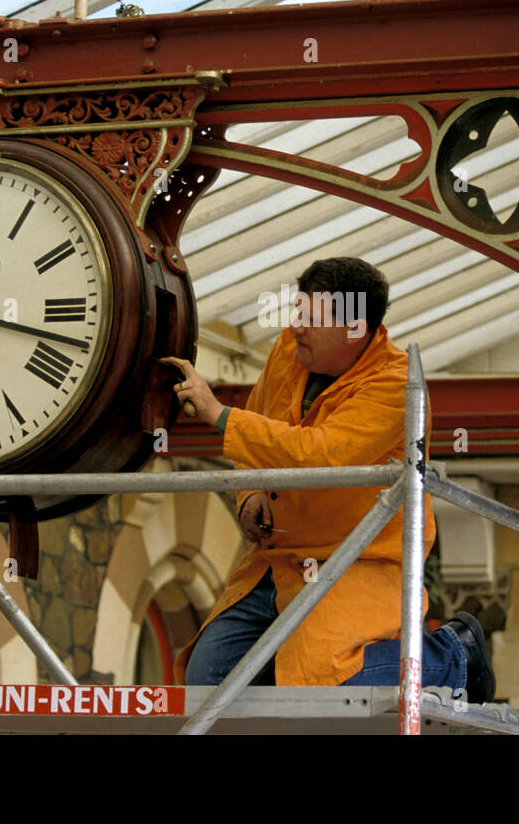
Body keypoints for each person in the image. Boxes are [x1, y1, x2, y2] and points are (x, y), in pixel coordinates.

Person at [161, 256, 495, 701]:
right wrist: (251, 492)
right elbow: (261, 432)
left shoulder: (396, 387)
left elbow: (322, 454)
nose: (297, 326)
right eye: (298, 311)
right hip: (280, 562)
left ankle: (453, 654)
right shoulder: (289, 352)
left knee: (318, 681)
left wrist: (219, 416)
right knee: (209, 679)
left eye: (313, 319)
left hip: (357, 562)